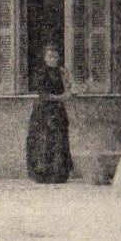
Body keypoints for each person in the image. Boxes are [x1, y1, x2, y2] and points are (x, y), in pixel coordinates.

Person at [26, 44, 73, 183]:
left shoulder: (61, 72)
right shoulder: (41, 73)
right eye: (50, 56)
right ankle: (43, 174)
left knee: (59, 139)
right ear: (45, 58)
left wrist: (67, 82)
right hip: (44, 111)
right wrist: (61, 98)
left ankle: (58, 174)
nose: (53, 59)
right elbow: (43, 95)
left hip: (58, 111)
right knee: (45, 140)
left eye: (55, 56)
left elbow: (67, 88)